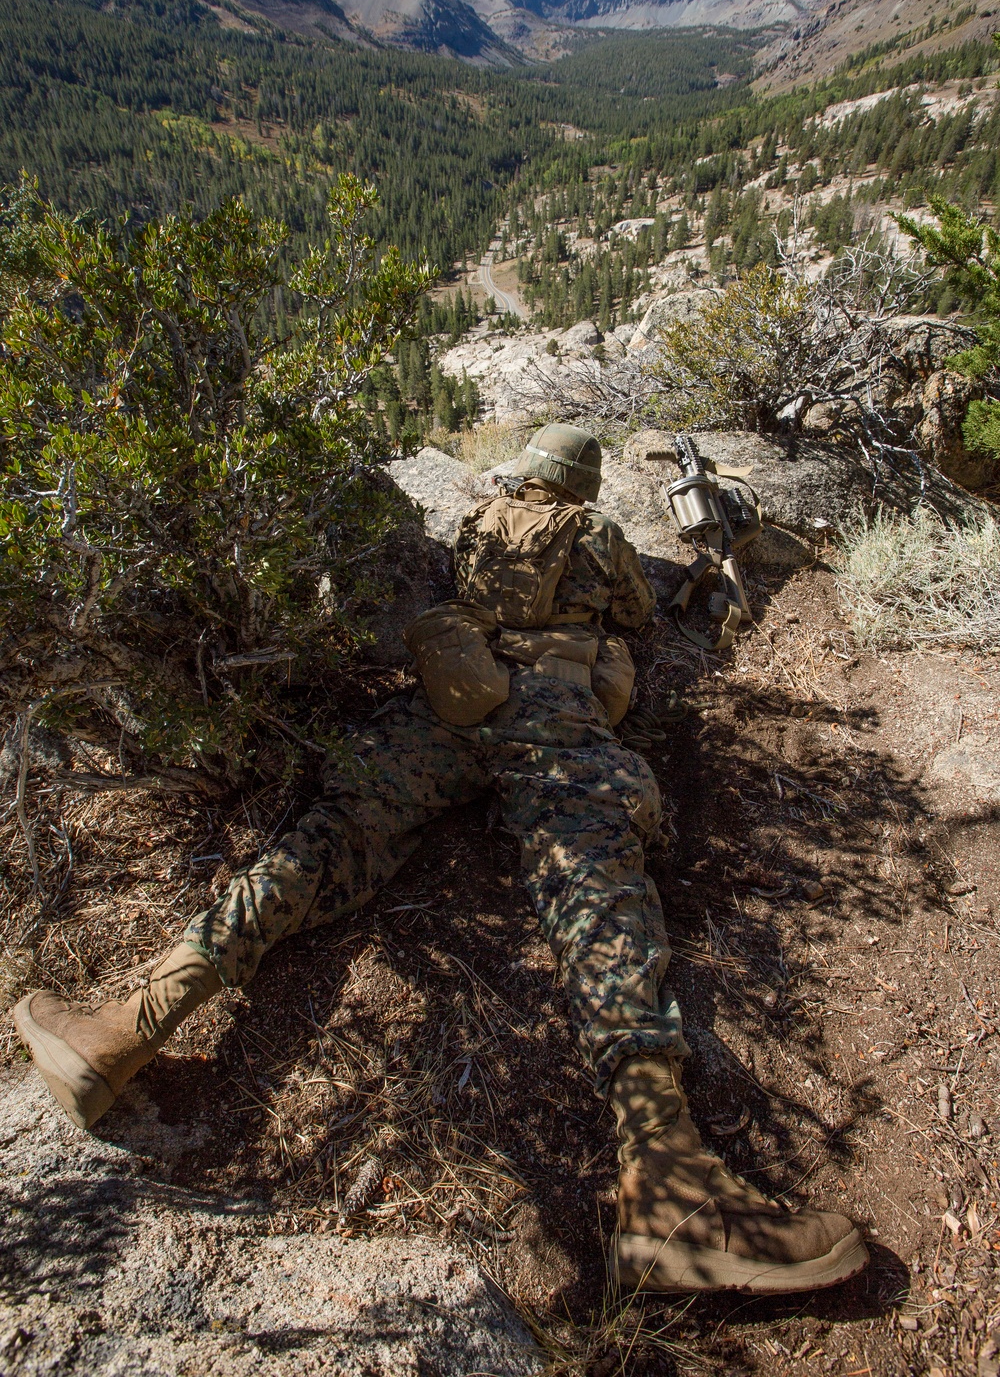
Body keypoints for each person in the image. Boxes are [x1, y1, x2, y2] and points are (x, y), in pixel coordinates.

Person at [13, 424, 868, 1295]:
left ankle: (130, 1026)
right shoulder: (597, 533)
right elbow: (639, 615)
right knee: (595, 883)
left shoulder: (481, 518)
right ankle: (670, 1184)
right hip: (553, 712)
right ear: (582, 482)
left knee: (330, 837)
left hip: (452, 702)